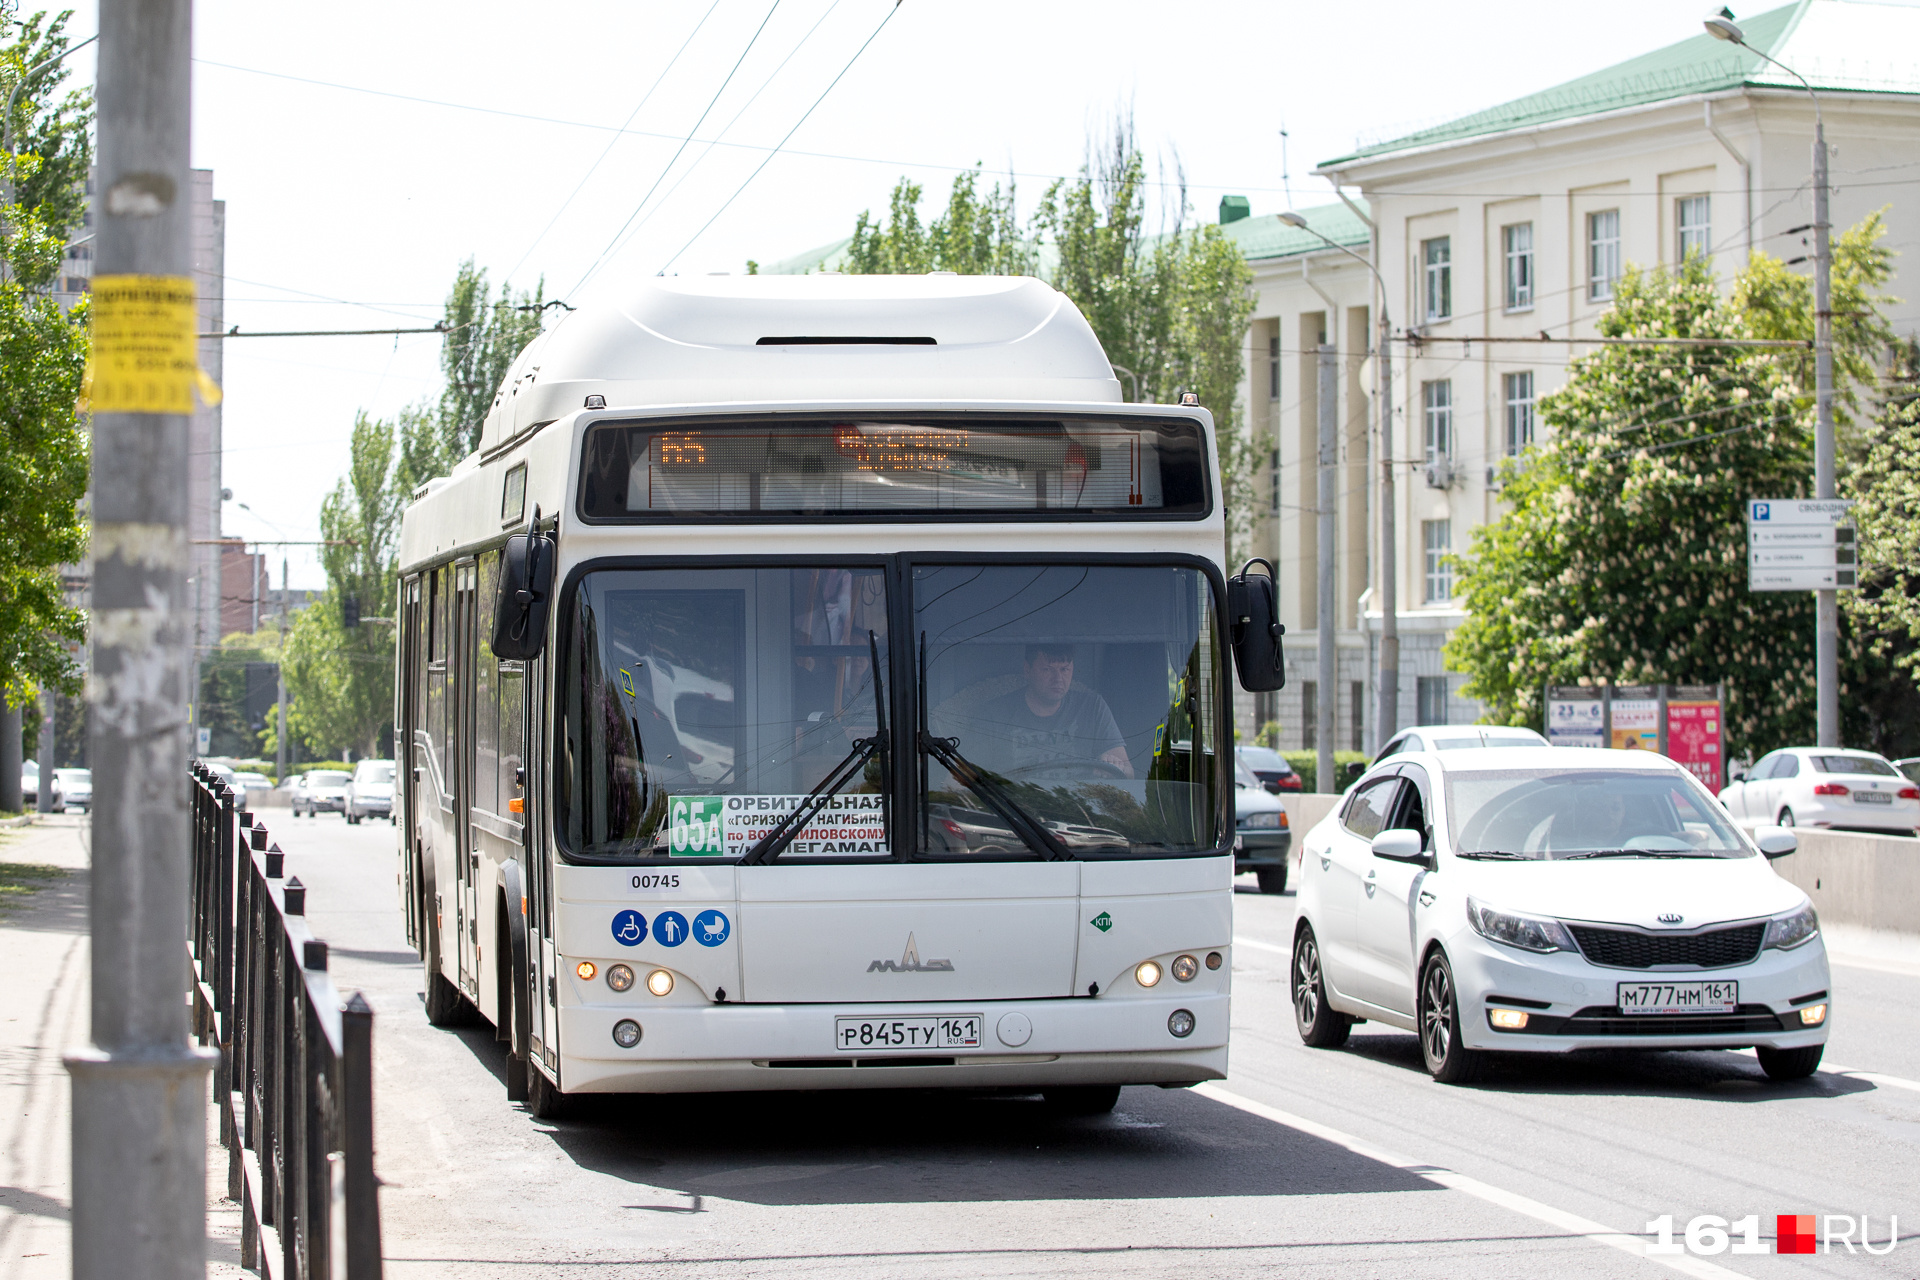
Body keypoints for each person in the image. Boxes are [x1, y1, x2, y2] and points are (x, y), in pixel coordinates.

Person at [974, 644, 1132, 778]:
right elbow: (959, 783)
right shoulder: (993, 715)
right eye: (1047, 670)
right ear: (1027, 670)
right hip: (1013, 810)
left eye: (1064, 669)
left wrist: (1112, 765)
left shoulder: (1092, 708)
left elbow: (1128, 773)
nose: (1058, 679)